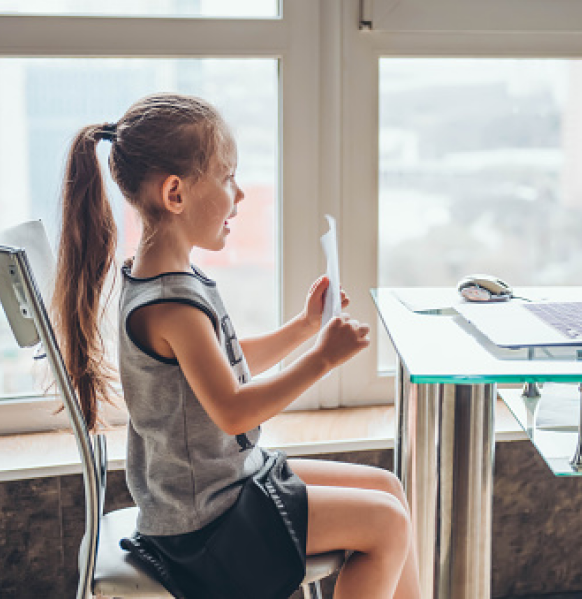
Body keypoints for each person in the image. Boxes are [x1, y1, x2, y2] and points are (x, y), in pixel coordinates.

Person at [51, 93, 421, 599]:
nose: (240, 194)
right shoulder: (169, 302)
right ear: (175, 194)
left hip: (225, 487)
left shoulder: (166, 278)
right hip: (205, 525)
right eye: (228, 177)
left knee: (388, 490)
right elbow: (233, 412)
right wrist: (322, 359)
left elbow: (219, 364)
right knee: (385, 524)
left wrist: (303, 327)